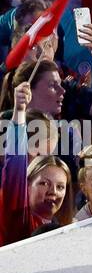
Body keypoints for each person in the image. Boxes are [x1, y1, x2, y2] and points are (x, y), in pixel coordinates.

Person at [1, 78, 76, 244]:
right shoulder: (16, 210)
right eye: (44, 183)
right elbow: (15, 166)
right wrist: (19, 111)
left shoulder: (68, 224)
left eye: (60, 186)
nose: (53, 191)